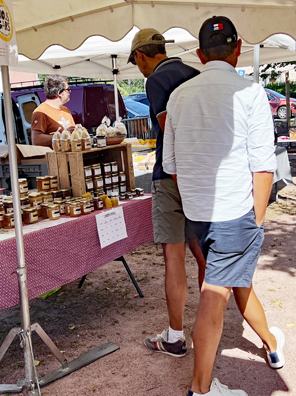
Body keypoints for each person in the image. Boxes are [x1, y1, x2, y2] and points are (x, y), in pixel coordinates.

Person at [163, 16, 283, 396]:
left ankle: (273, 346)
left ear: (199, 55)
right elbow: (264, 167)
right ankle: (200, 390)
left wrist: (197, 203)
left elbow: (172, 167)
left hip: (199, 214)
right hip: (236, 212)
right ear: (238, 48)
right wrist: (258, 221)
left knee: (237, 284)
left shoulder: (178, 96)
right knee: (215, 296)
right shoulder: (250, 91)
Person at [128, 28, 207, 358]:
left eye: (136, 63)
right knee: (202, 251)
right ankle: (209, 320)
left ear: (143, 56)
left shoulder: (155, 80)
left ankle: (175, 337)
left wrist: (176, 173)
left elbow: (168, 126)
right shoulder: (194, 73)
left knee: (173, 256)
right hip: (200, 175)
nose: (139, 69)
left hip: (171, 176)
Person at [30, 75, 75, 147]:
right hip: (54, 157)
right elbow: (36, 140)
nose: (70, 91)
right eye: (68, 89)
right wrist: (63, 135)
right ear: (59, 93)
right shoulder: (40, 112)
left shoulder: (65, 110)